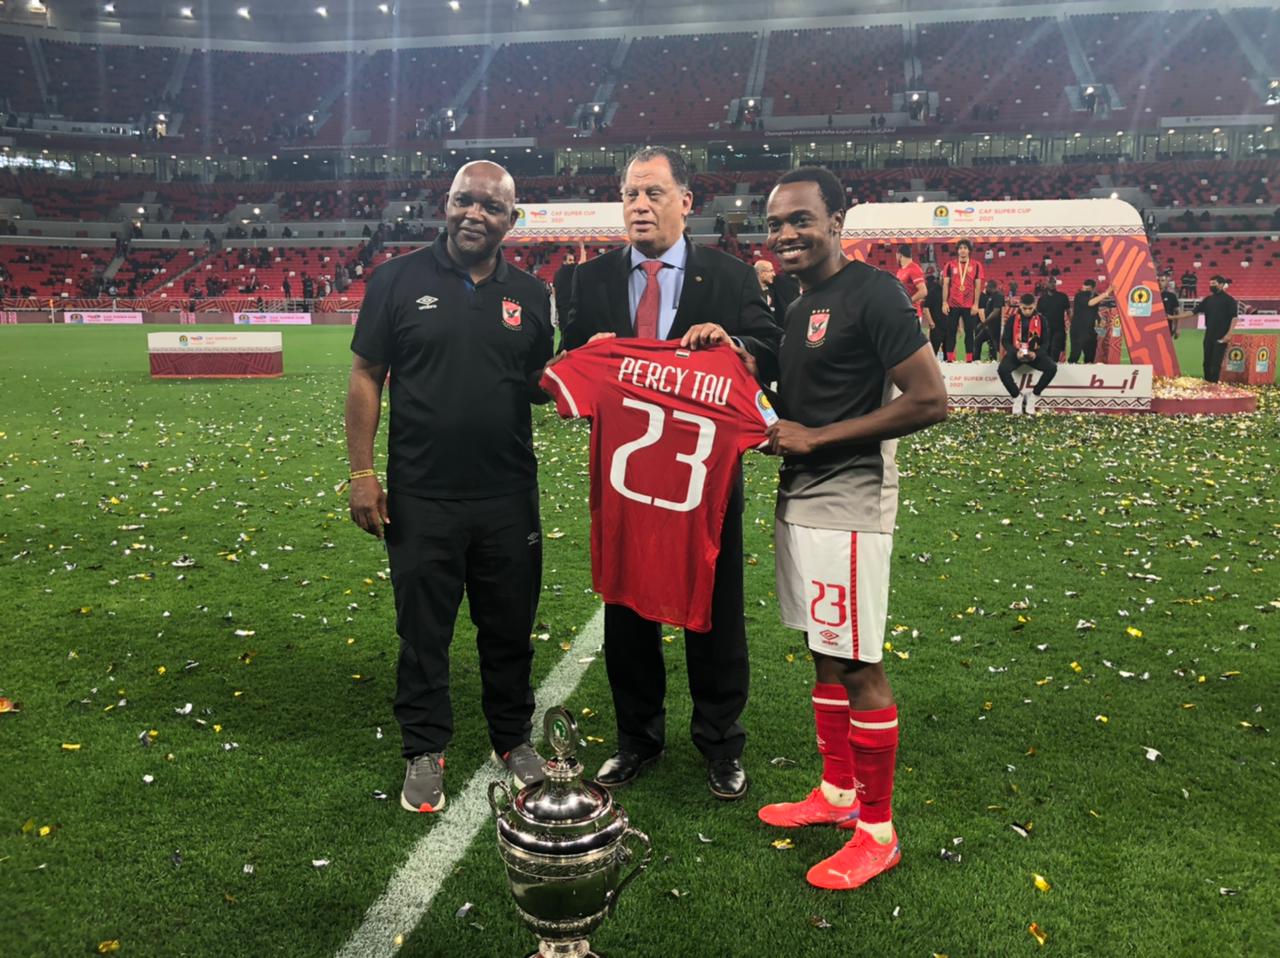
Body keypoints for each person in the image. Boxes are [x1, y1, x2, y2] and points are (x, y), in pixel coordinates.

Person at [560, 145, 780, 800]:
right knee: (628, 610)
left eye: (654, 193)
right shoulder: (588, 280)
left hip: (703, 479)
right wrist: (583, 354)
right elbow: (564, 366)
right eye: (630, 193)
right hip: (626, 478)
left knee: (715, 609)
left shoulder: (732, 278)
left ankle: (720, 742)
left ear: (687, 201)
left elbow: (769, 345)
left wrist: (735, 346)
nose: (639, 205)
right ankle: (638, 740)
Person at [757, 165, 948, 890]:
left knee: (859, 662)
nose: (786, 235)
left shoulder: (874, 293)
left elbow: (930, 400)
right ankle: (836, 794)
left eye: (801, 220)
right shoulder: (795, 298)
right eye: (776, 224)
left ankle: (878, 830)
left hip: (849, 501)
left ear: (838, 221)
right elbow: (799, 398)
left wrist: (821, 438)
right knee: (822, 649)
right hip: (802, 496)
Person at [345, 161, 554, 815]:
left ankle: (513, 739)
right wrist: (362, 474)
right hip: (423, 495)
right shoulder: (396, 280)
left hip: (507, 492)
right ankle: (424, 748)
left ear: (510, 221)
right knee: (424, 632)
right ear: (446, 203)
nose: (475, 214)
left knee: (509, 628)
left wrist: (594, 371)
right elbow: (366, 375)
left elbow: (537, 383)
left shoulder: (531, 293)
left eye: (491, 207)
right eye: (465, 200)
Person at [999, 293, 1058, 414]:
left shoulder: (1042, 320)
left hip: (1034, 354)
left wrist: (1036, 354)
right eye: (1024, 308)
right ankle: (1017, 397)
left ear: (1035, 306)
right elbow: (1005, 341)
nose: (1027, 311)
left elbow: (1046, 342)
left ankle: (1034, 396)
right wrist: (1016, 352)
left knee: (1052, 368)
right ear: (1019, 306)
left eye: (1030, 308)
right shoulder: (1012, 319)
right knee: (1002, 370)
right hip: (1017, 353)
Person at [941, 238, 983, 361]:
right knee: (951, 332)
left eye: (965, 248)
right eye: (960, 248)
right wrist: (944, 302)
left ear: (969, 250)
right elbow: (946, 284)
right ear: (957, 251)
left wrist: (976, 304)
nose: (962, 250)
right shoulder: (949, 265)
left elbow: (978, 286)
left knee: (969, 333)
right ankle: (950, 358)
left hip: (969, 305)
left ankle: (969, 359)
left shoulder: (976, 265)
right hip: (952, 304)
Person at [1195, 275, 1237, 382]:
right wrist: (1174, 317)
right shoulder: (1208, 300)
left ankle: (1214, 385)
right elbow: (1193, 311)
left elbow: (1234, 318)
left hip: (1221, 335)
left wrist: (1229, 334)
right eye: (1210, 283)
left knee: (1216, 363)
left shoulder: (1229, 300)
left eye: (1214, 283)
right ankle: (1207, 382)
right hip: (1209, 335)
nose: (1211, 285)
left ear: (1221, 284)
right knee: (1206, 362)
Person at [1070, 279, 1110, 363]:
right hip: (1080, 330)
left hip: (1087, 329)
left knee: (1088, 356)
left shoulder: (1093, 295)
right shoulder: (1081, 295)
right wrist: (1106, 294)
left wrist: (1099, 319)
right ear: (1093, 287)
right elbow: (1090, 303)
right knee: (1078, 355)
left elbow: (1093, 310)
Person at [894, 245, 929, 334]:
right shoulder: (900, 271)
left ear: (899, 255)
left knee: (912, 346)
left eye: (896, 255)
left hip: (913, 315)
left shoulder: (914, 269)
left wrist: (908, 301)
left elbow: (923, 291)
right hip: (902, 313)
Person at [755, 257, 799, 327]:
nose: (774, 274)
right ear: (761, 274)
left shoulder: (775, 288)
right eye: (771, 271)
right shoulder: (752, 293)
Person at [1037, 277, 1070, 362]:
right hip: (1045, 329)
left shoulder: (1063, 297)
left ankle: (1054, 366)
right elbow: (1039, 315)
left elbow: (1068, 311)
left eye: (1054, 282)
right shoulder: (1041, 299)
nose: (1052, 284)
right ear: (1046, 284)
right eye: (1050, 282)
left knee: (1056, 349)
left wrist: (1071, 323)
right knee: (1046, 349)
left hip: (1059, 328)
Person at [974, 278, 1005, 361]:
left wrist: (984, 323)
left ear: (990, 287)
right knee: (977, 341)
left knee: (995, 345)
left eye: (986, 287)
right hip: (989, 326)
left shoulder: (998, 296)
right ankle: (976, 361)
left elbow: (995, 312)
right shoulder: (991, 297)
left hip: (995, 326)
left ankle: (995, 361)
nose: (985, 289)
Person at [552, 244, 582, 323]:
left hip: (561, 304)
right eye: (570, 260)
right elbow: (582, 262)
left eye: (573, 260)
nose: (572, 262)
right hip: (569, 304)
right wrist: (582, 246)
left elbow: (554, 289)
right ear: (564, 261)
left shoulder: (557, 273)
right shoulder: (571, 269)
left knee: (563, 327)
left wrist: (557, 302)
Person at [923, 268, 944, 357]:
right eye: (942, 278)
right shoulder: (933, 291)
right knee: (933, 354)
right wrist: (931, 323)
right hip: (936, 327)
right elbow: (926, 308)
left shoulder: (952, 291)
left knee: (949, 356)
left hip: (949, 327)